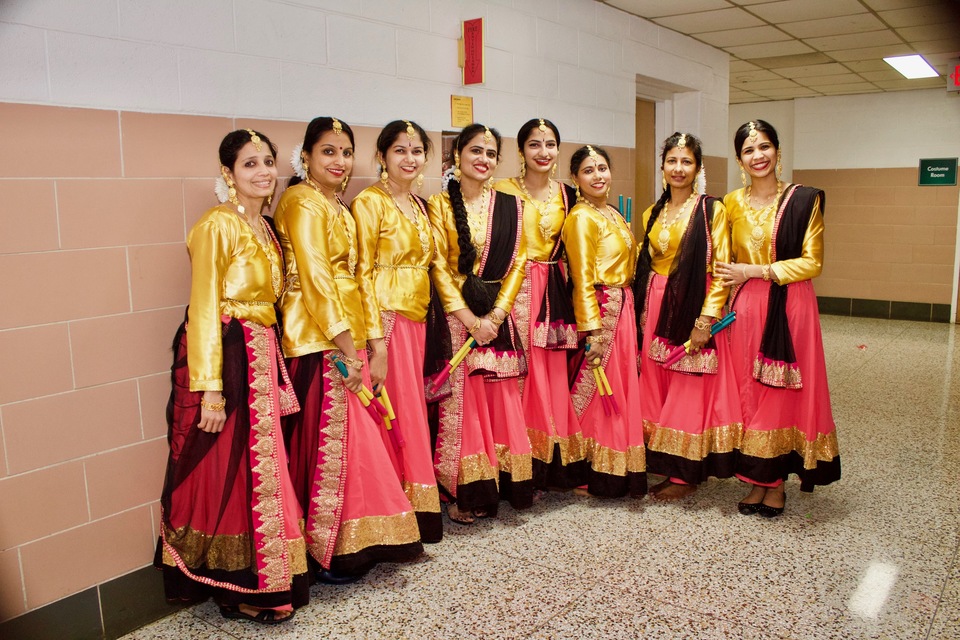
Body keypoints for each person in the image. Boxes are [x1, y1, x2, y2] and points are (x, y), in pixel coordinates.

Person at [157, 129, 307, 625]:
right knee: (232, 470)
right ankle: (238, 583)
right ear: (228, 173)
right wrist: (211, 391)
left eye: (267, 162)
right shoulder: (216, 225)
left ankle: (268, 579)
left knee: (262, 467)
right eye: (249, 164)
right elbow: (202, 307)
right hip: (228, 354)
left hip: (260, 350)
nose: (263, 172)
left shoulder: (264, 227)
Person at [274, 116, 422, 581]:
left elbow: (361, 278)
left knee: (354, 442)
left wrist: (374, 344)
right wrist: (344, 348)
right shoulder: (301, 202)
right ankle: (329, 550)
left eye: (345, 152)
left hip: (346, 336)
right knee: (332, 445)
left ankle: (355, 541)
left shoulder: (336, 205)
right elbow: (316, 280)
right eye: (328, 151)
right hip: (317, 337)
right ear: (305, 157)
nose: (339, 161)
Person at [716, 119, 841, 517]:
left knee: (781, 390)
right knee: (749, 389)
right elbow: (722, 259)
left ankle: (775, 483)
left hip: (790, 304)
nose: (758, 156)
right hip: (745, 308)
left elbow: (812, 262)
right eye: (749, 150)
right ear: (739, 159)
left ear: (777, 151)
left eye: (765, 146)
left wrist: (755, 271)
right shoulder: (730, 203)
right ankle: (757, 478)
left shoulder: (804, 200)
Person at [427, 123, 530, 523]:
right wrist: (470, 320)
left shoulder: (512, 206)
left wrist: (498, 315)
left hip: (496, 317)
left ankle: (503, 483)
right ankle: (464, 491)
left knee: (500, 401)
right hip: (457, 318)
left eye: (490, 153)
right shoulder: (438, 205)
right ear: (457, 156)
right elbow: (438, 265)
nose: (483, 159)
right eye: (475, 151)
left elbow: (519, 262)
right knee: (463, 407)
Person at [634, 132, 741, 501]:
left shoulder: (712, 211)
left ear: (698, 168)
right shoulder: (652, 212)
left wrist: (705, 320)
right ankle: (664, 461)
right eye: (672, 161)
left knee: (687, 388)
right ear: (662, 166)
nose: (678, 168)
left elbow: (720, 269)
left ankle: (686, 474)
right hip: (656, 306)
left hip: (692, 306)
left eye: (686, 162)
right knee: (656, 384)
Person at [350, 119, 443, 542]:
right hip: (387, 320)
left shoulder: (421, 206)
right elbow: (362, 273)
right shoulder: (370, 202)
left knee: (413, 415)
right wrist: (377, 344)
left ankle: (415, 510)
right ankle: (395, 515)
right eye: (400, 150)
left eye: (417, 151)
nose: (409, 158)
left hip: (417, 319)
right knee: (396, 417)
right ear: (382, 157)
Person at [494, 118, 584, 492]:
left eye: (549, 144)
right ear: (521, 151)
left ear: (558, 150)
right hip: (512, 292)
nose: (543, 152)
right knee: (518, 376)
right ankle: (514, 465)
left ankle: (551, 465)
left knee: (550, 376)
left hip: (553, 294)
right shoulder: (502, 190)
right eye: (534, 144)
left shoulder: (569, 195)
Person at [562, 145, 646, 498]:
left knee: (618, 387)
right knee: (597, 388)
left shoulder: (611, 212)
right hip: (601, 309)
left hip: (621, 306)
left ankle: (618, 465)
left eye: (602, 168)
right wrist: (593, 332)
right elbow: (581, 279)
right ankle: (590, 470)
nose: (597, 176)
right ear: (575, 178)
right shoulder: (581, 217)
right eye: (588, 170)